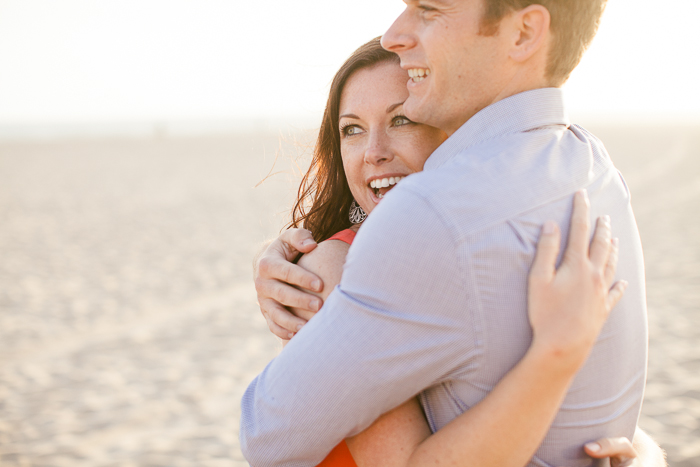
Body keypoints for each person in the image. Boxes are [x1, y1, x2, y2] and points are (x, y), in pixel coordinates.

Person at [243, 1, 650, 466]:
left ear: (523, 33)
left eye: (402, 119)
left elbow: (267, 433)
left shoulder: (434, 218)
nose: (373, 152)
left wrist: (640, 449)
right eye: (351, 130)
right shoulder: (593, 166)